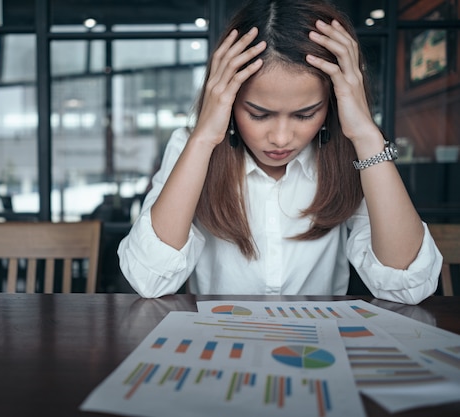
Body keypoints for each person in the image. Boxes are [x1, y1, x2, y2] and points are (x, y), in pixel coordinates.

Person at [118, 0, 442, 304]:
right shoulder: (192, 146)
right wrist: (203, 138)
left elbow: (408, 285)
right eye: (258, 114)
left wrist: (366, 135)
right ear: (228, 100)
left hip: (317, 351)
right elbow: (148, 279)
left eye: (305, 114)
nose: (281, 137)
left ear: (330, 105)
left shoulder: (350, 152)